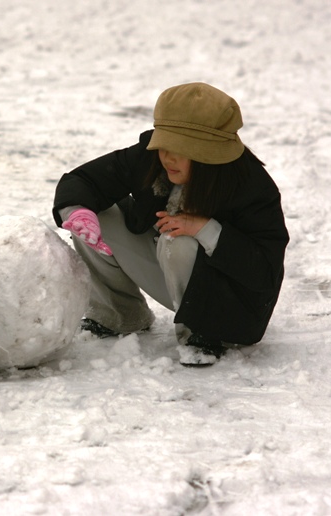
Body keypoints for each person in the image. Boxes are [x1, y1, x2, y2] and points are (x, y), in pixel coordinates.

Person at [53, 82, 289, 366]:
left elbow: (264, 272)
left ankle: (200, 335)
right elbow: (84, 180)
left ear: (211, 152)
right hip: (172, 276)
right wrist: (78, 211)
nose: (168, 156)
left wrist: (206, 229)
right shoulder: (153, 157)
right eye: (164, 143)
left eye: (182, 148)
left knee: (179, 239)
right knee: (96, 216)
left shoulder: (252, 187)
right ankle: (120, 316)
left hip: (229, 309)